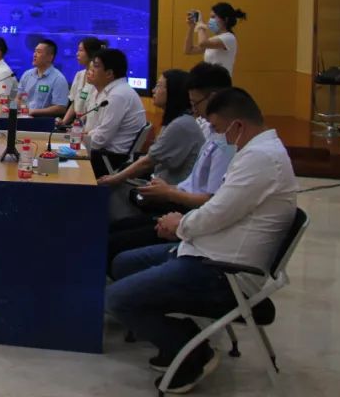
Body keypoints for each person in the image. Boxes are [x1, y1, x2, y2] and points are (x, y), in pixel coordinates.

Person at [105, 88, 298, 394]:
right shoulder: (256, 152)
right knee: (124, 263)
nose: (218, 137)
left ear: (237, 126)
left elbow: (217, 212)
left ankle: (192, 350)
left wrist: (179, 225)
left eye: (219, 129)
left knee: (116, 299)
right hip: (203, 249)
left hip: (222, 271)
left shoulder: (261, 159)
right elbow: (219, 208)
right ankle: (174, 337)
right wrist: (181, 226)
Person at [107, 63, 233, 266]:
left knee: (114, 244)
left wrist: (169, 195)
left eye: (159, 86)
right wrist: (169, 191)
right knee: (112, 233)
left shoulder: (222, 142)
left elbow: (209, 201)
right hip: (177, 205)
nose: (196, 111)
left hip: (183, 214)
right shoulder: (210, 133)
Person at [98, 69, 205, 220]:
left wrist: (115, 179)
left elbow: (148, 162)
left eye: (159, 86)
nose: (154, 90)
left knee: (112, 193)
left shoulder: (181, 125)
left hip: (172, 200)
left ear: (173, 92)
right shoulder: (177, 121)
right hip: (162, 189)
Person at [83, 48, 147, 177]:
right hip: (103, 153)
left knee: (63, 161)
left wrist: (77, 139)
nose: (91, 70)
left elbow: (100, 140)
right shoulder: (106, 91)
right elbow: (95, 128)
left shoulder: (118, 95)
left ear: (109, 73)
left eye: (96, 66)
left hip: (110, 159)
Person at [185, 2, 246, 76]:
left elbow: (202, 43)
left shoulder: (229, 38)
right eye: (210, 17)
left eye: (213, 17)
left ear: (225, 19)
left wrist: (200, 24)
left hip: (221, 82)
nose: (210, 20)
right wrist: (191, 27)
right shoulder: (213, 39)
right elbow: (189, 50)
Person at [16, 39, 70, 117]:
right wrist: (22, 109)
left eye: (39, 52)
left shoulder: (58, 79)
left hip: (43, 121)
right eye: (35, 51)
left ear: (50, 57)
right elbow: (18, 97)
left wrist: (33, 112)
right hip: (23, 117)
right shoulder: (27, 74)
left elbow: (60, 108)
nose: (34, 55)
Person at [61, 37, 105, 126]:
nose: (77, 54)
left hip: (91, 125)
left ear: (91, 53)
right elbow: (74, 104)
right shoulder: (79, 75)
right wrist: (63, 123)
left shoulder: (99, 79)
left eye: (81, 50)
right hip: (78, 124)